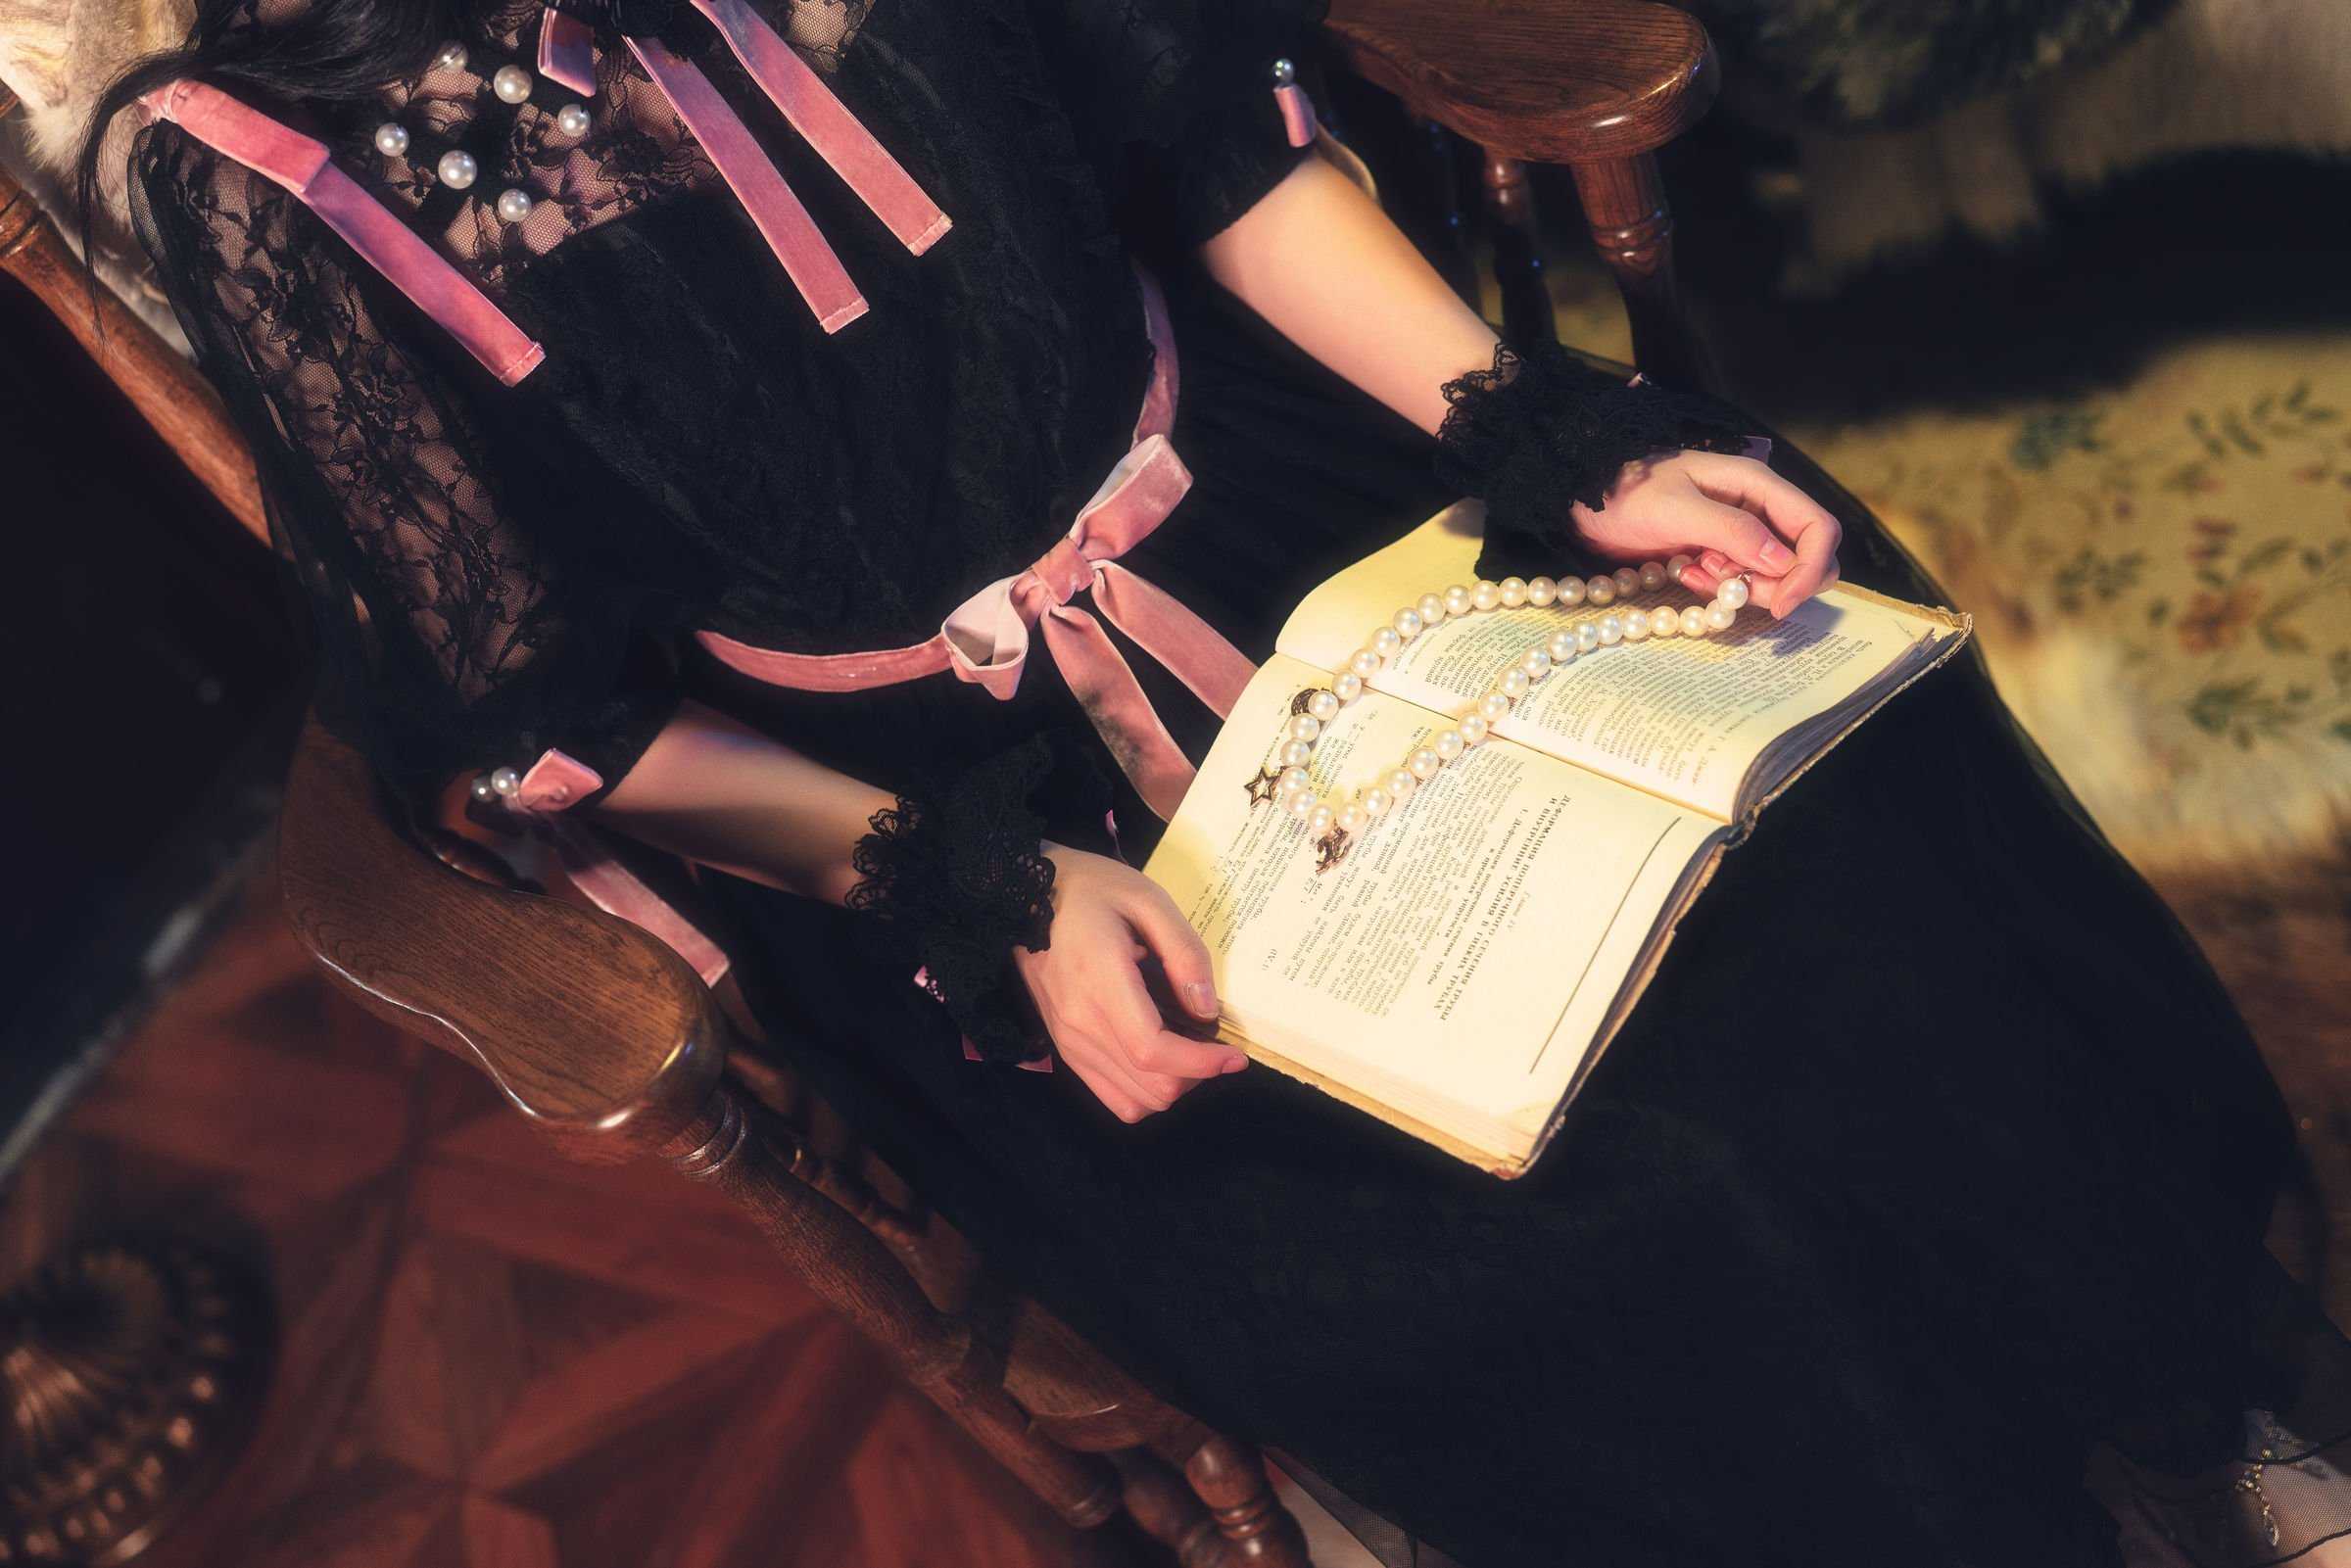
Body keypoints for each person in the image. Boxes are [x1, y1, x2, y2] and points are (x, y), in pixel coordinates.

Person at [84, 0, 2351, 1560]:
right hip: (938, 807)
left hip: (1287, 527)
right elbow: (545, 716)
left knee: (1846, 843)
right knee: (1616, 1186)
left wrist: (1539, 428)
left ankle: (2174, 1401)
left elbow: (1223, 165)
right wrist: (972, 885)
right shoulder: (268, 174)